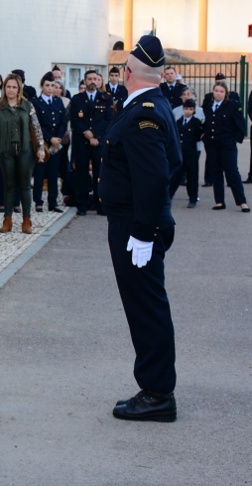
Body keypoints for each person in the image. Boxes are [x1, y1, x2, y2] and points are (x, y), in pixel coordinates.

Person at [99, 34, 182, 422]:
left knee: (146, 309)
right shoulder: (155, 104)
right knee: (146, 307)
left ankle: (157, 393)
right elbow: (173, 168)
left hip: (136, 227)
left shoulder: (144, 112)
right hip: (139, 221)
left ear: (129, 73)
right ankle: (155, 387)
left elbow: (152, 179)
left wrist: (143, 232)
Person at [0, 74, 45, 233]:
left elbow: (36, 127)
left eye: (14, 87)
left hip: (26, 150)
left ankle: (26, 220)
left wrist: (41, 148)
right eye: (8, 87)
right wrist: (2, 141)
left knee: (24, 185)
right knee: (9, 186)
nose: (10, 90)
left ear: (19, 89)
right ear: (4, 88)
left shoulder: (28, 106)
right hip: (6, 150)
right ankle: (7, 220)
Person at [69, 69, 114, 216]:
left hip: (98, 143)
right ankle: (82, 205)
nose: (92, 81)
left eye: (95, 79)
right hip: (82, 142)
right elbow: (75, 121)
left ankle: (100, 205)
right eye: (89, 79)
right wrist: (88, 134)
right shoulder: (77, 100)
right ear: (85, 81)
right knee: (81, 174)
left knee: (99, 174)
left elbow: (108, 120)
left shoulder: (106, 99)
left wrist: (95, 134)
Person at [203, 82, 250, 212]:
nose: (218, 93)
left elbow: (240, 124)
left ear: (226, 94)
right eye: (216, 91)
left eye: (221, 91)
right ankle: (219, 201)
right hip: (212, 144)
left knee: (232, 172)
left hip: (227, 144)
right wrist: (203, 136)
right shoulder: (208, 105)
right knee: (216, 172)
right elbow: (204, 122)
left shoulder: (232, 106)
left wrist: (235, 139)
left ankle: (242, 202)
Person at [32, 72, 67, 213]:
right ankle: (38, 202)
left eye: (53, 85)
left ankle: (53, 202)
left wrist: (58, 139)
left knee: (53, 174)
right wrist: (49, 139)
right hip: (42, 143)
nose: (50, 88)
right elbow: (36, 124)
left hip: (56, 144)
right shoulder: (36, 103)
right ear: (41, 86)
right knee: (40, 174)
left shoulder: (58, 102)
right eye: (47, 85)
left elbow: (63, 122)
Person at [170, 99, 203, 207]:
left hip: (191, 153)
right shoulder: (179, 121)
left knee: (192, 176)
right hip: (180, 152)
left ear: (194, 110)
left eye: (190, 109)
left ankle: (192, 198)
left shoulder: (196, 122)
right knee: (176, 175)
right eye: (186, 109)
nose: (188, 111)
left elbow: (199, 136)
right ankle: (169, 196)